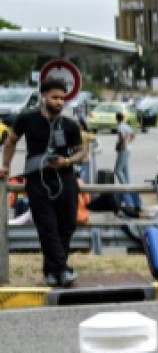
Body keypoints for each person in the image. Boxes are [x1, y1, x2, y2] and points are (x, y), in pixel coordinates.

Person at [0, 79, 88, 286]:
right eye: (55, 97)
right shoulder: (27, 118)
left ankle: (53, 271)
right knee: (47, 227)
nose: (59, 102)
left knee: (67, 226)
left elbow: (81, 154)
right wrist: (6, 165)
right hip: (37, 180)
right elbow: (11, 141)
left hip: (65, 178)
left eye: (62, 98)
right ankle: (62, 270)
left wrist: (66, 161)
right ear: (44, 97)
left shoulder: (70, 124)